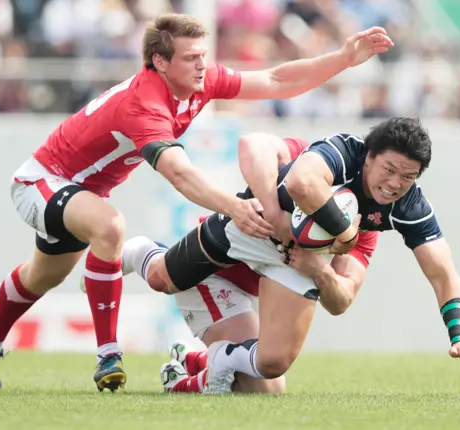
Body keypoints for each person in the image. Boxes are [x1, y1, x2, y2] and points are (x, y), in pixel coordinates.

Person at [0, 13, 394, 391]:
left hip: (80, 191)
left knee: (41, 275)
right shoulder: (144, 103)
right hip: (41, 181)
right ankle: (109, 355)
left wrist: (342, 59)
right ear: (160, 63)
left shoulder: (197, 82)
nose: (202, 65)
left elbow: (277, 80)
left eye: (203, 56)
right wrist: (235, 206)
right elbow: (179, 173)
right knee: (109, 227)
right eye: (190, 58)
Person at [124, 118, 460, 394]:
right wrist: (332, 228)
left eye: (409, 176)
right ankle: (130, 251)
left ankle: (208, 365)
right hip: (255, 228)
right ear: (369, 158)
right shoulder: (339, 152)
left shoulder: (403, 209)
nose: (396, 183)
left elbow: (441, 272)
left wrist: (459, 335)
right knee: (160, 279)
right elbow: (298, 180)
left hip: (294, 260)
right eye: (390, 169)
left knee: (271, 374)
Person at [111, 135, 378, 393]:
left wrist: (321, 270)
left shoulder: (364, 226)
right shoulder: (312, 160)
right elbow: (251, 144)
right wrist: (274, 212)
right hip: (218, 273)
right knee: (162, 279)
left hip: (249, 287)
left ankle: (190, 366)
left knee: (267, 382)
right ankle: (140, 251)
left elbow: (341, 300)